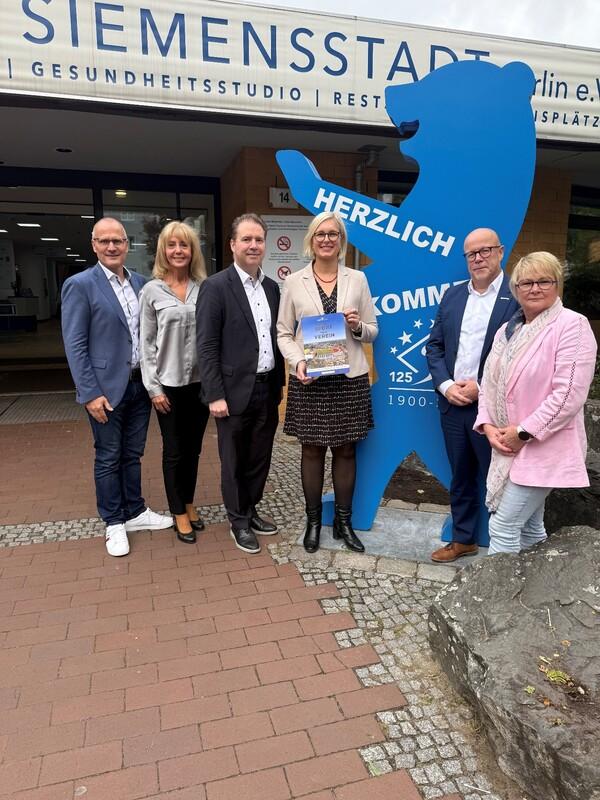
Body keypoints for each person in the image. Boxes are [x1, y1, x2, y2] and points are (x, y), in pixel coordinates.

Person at [61, 217, 172, 557]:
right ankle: (113, 521)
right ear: (94, 245)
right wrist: (89, 393)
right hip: (105, 389)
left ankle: (135, 511)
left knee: (133, 453)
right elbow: (75, 344)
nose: (112, 247)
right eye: (104, 241)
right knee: (109, 456)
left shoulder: (142, 283)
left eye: (118, 241)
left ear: (127, 244)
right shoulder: (80, 285)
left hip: (139, 385)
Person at [474, 252, 597, 554]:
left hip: (543, 447)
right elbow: (488, 384)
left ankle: (495, 586)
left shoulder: (572, 325)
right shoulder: (508, 330)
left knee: (502, 527)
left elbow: (568, 394)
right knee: (530, 528)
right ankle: (536, 582)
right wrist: (488, 425)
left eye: (544, 281)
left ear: (557, 284)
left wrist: (523, 432)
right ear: (516, 289)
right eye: (526, 283)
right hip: (507, 445)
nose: (535, 288)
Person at [277, 211, 378, 554]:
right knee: (312, 450)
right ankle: (314, 522)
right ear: (311, 239)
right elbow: (283, 332)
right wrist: (298, 361)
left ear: (341, 240)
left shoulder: (358, 280)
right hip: (311, 378)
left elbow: (373, 330)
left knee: (346, 449)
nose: (326, 239)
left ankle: (343, 523)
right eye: (320, 233)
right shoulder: (295, 282)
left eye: (333, 233)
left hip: (348, 378)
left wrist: (357, 326)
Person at [426, 227, 519, 563]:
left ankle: (505, 547)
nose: (478, 258)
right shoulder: (452, 296)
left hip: (494, 407)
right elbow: (435, 346)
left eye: (485, 251)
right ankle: (463, 539)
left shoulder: (517, 296)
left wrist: (481, 386)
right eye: (471, 254)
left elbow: (520, 354)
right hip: (453, 405)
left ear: (500, 252)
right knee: (461, 475)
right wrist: (446, 385)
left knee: (502, 478)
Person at [196, 213, 285, 555]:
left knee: (259, 457)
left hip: (267, 388)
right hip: (232, 394)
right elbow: (207, 345)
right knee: (234, 460)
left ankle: (250, 509)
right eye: (246, 239)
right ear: (233, 244)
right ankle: (238, 521)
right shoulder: (216, 287)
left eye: (258, 239)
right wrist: (214, 394)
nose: (253, 245)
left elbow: (277, 337)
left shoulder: (272, 288)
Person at [139, 221, 209, 544]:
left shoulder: (203, 288)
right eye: (172, 245)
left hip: (200, 385)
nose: (178, 251)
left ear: (192, 251)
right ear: (163, 251)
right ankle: (178, 510)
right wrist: (153, 389)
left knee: (194, 450)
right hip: (167, 387)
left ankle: (189, 503)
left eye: (184, 245)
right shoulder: (151, 291)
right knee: (175, 451)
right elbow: (146, 344)